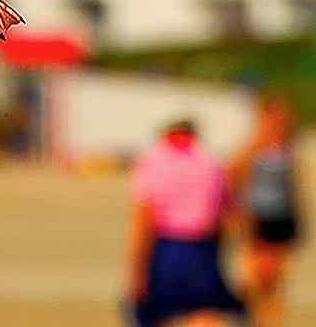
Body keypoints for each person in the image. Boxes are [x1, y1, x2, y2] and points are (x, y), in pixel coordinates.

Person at [125, 117, 249, 326]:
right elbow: (229, 217)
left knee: (157, 313)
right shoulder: (210, 163)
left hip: (166, 248)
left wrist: (136, 268)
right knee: (204, 312)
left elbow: (144, 219)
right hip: (203, 247)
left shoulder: (153, 162)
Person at [229, 94, 304, 327]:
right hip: (257, 216)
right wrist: (236, 214)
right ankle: (247, 315)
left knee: (277, 277)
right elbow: (233, 177)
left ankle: (271, 320)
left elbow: (293, 187)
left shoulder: (288, 148)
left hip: (282, 217)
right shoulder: (254, 146)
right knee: (256, 275)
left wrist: (299, 218)